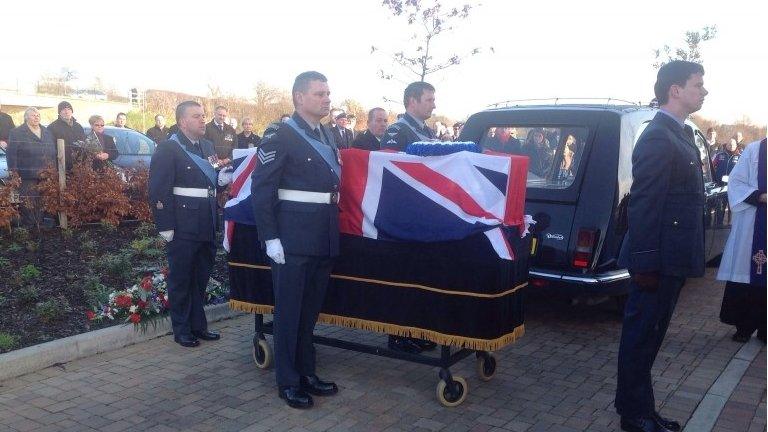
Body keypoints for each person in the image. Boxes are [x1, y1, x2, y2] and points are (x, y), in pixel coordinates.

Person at [615, 60, 708, 432]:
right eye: (698, 84)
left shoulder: (678, 132)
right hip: (658, 260)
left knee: (650, 338)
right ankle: (633, 415)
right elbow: (645, 203)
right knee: (640, 338)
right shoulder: (658, 135)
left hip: (671, 258)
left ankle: (642, 409)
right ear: (675, 90)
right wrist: (646, 263)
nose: (704, 91)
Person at [250, 71, 341, 409]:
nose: (327, 99)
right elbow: (262, 190)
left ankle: (307, 372)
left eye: (328, 93)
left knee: (310, 312)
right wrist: (270, 237)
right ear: (299, 97)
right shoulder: (280, 135)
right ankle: (288, 381)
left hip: (322, 235)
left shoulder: (328, 134)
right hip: (291, 239)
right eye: (319, 93)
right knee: (289, 313)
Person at [148, 101, 231, 349]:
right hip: (182, 224)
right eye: (196, 116)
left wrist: (222, 179)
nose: (202, 120)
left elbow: (209, 180)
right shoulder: (168, 148)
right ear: (182, 121)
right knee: (181, 278)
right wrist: (165, 224)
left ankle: (198, 325)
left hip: (205, 221)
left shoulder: (206, 146)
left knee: (200, 277)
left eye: (203, 116)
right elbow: (158, 188)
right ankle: (182, 329)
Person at [381, 81, 439, 354]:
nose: (433, 104)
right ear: (412, 102)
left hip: (421, 214)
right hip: (401, 215)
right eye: (428, 99)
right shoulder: (397, 131)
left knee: (419, 274)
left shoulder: (425, 130)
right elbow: (390, 169)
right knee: (401, 275)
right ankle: (398, 335)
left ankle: (413, 329)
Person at [717, 138, 766, 343]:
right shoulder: (755, 150)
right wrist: (760, 196)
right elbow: (736, 182)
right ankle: (743, 326)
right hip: (753, 220)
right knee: (746, 270)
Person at [6, 107, 56, 224]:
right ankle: (30, 229)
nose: (36, 117)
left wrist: (52, 171)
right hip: (27, 175)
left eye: (38, 115)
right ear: (26, 117)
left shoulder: (47, 132)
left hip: (46, 175)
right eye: (33, 115)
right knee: (29, 204)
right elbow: (11, 154)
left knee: (43, 203)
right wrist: (14, 173)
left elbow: (53, 152)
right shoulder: (17, 132)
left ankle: (39, 228)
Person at [381, 81, 437, 152]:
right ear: (413, 101)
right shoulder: (395, 133)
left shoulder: (429, 131)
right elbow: (389, 161)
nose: (434, 106)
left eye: (433, 101)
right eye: (429, 100)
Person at [47, 101, 87, 171]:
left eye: (69, 109)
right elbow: (50, 148)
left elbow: (84, 143)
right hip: (61, 165)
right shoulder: (52, 127)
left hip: (78, 165)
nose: (66, 112)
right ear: (59, 112)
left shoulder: (78, 126)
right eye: (63, 109)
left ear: (72, 111)